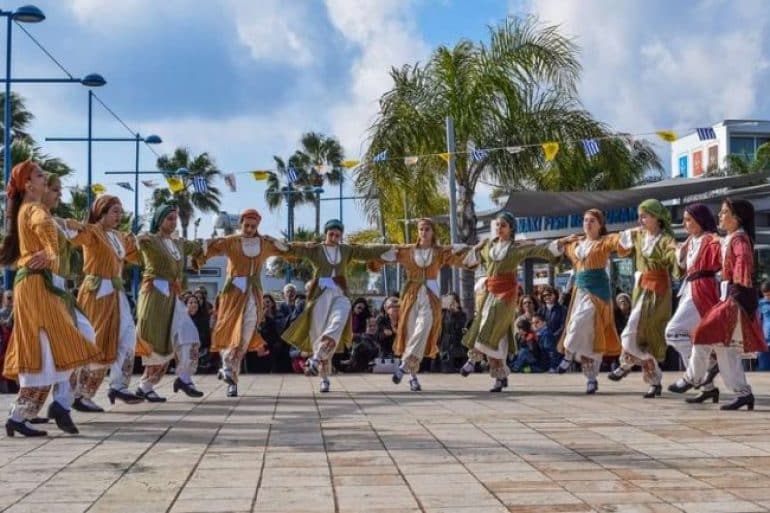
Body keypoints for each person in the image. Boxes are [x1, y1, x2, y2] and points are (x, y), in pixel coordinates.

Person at [1, 161, 100, 437]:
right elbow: (42, 223)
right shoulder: (33, 209)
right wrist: (51, 250)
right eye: (40, 176)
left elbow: (51, 225)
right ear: (29, 185)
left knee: (52, 347)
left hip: (40, 286)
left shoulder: (30, 209)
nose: (45, 180)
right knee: (47, 347)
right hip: (36, 286)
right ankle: (24, 414)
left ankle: (28, 413)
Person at [281, 219, 396, 392]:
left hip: (340, 293)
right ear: (325, 234)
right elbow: (297, 250)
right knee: (318, 335)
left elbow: (366, 251)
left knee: (338, 322)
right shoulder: (317, 249)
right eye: (331, 234)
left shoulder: (346, 250)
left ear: (341, 235)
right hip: (320, 296)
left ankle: (316, 359)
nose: (334, 237)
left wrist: (389, 248)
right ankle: (324, 377)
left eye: (337, 234)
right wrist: (283, 245)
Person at [460, 211, 556, 392]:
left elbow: (537, 250)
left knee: (488, 324)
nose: (499, 228)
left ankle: (472, 360)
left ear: (511, 228)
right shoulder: (488, 246)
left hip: (506, 294)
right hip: (489, 293)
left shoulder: (515, 248)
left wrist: (557, 246)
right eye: (497, 225)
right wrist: (477, 247)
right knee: (500, 335)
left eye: (503, 225)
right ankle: (499, 377)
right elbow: (469, 262)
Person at [68, 195, 144, 412]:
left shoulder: (119, 236)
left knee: (128, 336)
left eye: (120, 212)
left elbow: (137, 256)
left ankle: (118, 385)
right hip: (97, 291)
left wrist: (144, 242)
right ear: (102, 212)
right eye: (115, 211)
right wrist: (71, 225)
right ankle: (81, 394)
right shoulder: (92, 232)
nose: (119, 216)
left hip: (117, 292)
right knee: (98, 342)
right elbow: (74, 237)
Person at [689, 199, 766, 410]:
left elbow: (743, 259)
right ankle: (743, 393)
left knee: (703, 332)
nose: (719, 216)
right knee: (724, 348)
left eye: (724, 213)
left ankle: (692, 378)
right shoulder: (730, 238)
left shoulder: (739, 238)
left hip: (736, 299)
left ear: (737, 218)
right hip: (730, 296)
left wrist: (739, 275)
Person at [377, 218, 467, 391]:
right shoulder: (407, 250)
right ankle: (412, 376)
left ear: (433, 232)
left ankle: (404, 365)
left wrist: (466, 249)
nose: (423, 232)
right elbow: (383, 257)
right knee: (411, 332)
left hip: (431, 295)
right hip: (411, 295)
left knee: (423, 328)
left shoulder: (439, 252)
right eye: (421, 229)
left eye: (427, 229)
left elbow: (460, 259)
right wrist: (381, 254)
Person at [204, 209, 284, 397]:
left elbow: (285, 250)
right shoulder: (232, 241)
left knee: (245, 337)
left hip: (253, 294)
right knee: (231, 333)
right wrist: (204, 247)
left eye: (253, 226)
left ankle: (229, 371)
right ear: (241, 224)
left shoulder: (263, 243)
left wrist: (275, 241)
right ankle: (230, 374)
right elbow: (211, 248)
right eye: (246, 225)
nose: (249, 229)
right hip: (233, 294)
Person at [607, 199, 680, 399]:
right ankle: (637, 368)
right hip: (640, 289)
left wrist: (677, 250)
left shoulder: (665, 240)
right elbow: (620, 243)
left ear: (657, 218)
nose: (641, 219)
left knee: (650, 332)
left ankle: (636, 370)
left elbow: (675, 257)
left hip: (658, 291)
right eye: (640, 215)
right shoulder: (639, 235)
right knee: (632, 331)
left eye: (645, 215)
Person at [134, 203, 206, 402]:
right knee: (156, 341)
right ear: (159, 220)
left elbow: (200, 247)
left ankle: (184, 378)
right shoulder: (150, 239)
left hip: (173, 295)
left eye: (175, 219)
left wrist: (212, 249)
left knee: (188, 333)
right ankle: (145, 386)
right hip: (154, 295)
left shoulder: (179, 243)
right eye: (169, 218)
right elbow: (130, 244)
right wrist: (136, 239)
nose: (173, 223)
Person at [551, 209, 624, 394]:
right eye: (585, 220)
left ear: (600, 224)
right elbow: (553, 249)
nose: (588, 224)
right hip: (579, 292)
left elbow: (619, 240)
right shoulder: (575, 243)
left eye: (592, 220)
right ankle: (591, 379)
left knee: (580, 323)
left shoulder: (604, 242)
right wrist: (562, 240)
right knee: (589, 335)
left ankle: (567, 355)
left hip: (598, 292)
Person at [665, 204, 722, 398]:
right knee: (692, 336)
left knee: (673, 332)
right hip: (690, 289)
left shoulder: (709, 239)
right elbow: (682, 263)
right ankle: (708, 388)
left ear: (700, 220)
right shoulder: (692, 240)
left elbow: (720, 254)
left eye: (688, 219)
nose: (684, 223)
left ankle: (703, 370)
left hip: (702, 290)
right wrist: (677, 247)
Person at [438, 293, 467, 373]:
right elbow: (442, 329)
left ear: (456, 302)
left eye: (452, 300)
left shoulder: (462, 314)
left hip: (458, 345)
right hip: (445, 346)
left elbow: (461, 327)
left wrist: (456, 313)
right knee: (446, 370)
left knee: (457, 369)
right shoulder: (443, 313)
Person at [758, 281, 770, 371]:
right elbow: (757, 321)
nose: (768, 297)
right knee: (764, 370)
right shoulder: (760, 304)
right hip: (764, 342)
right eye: (766, 295)